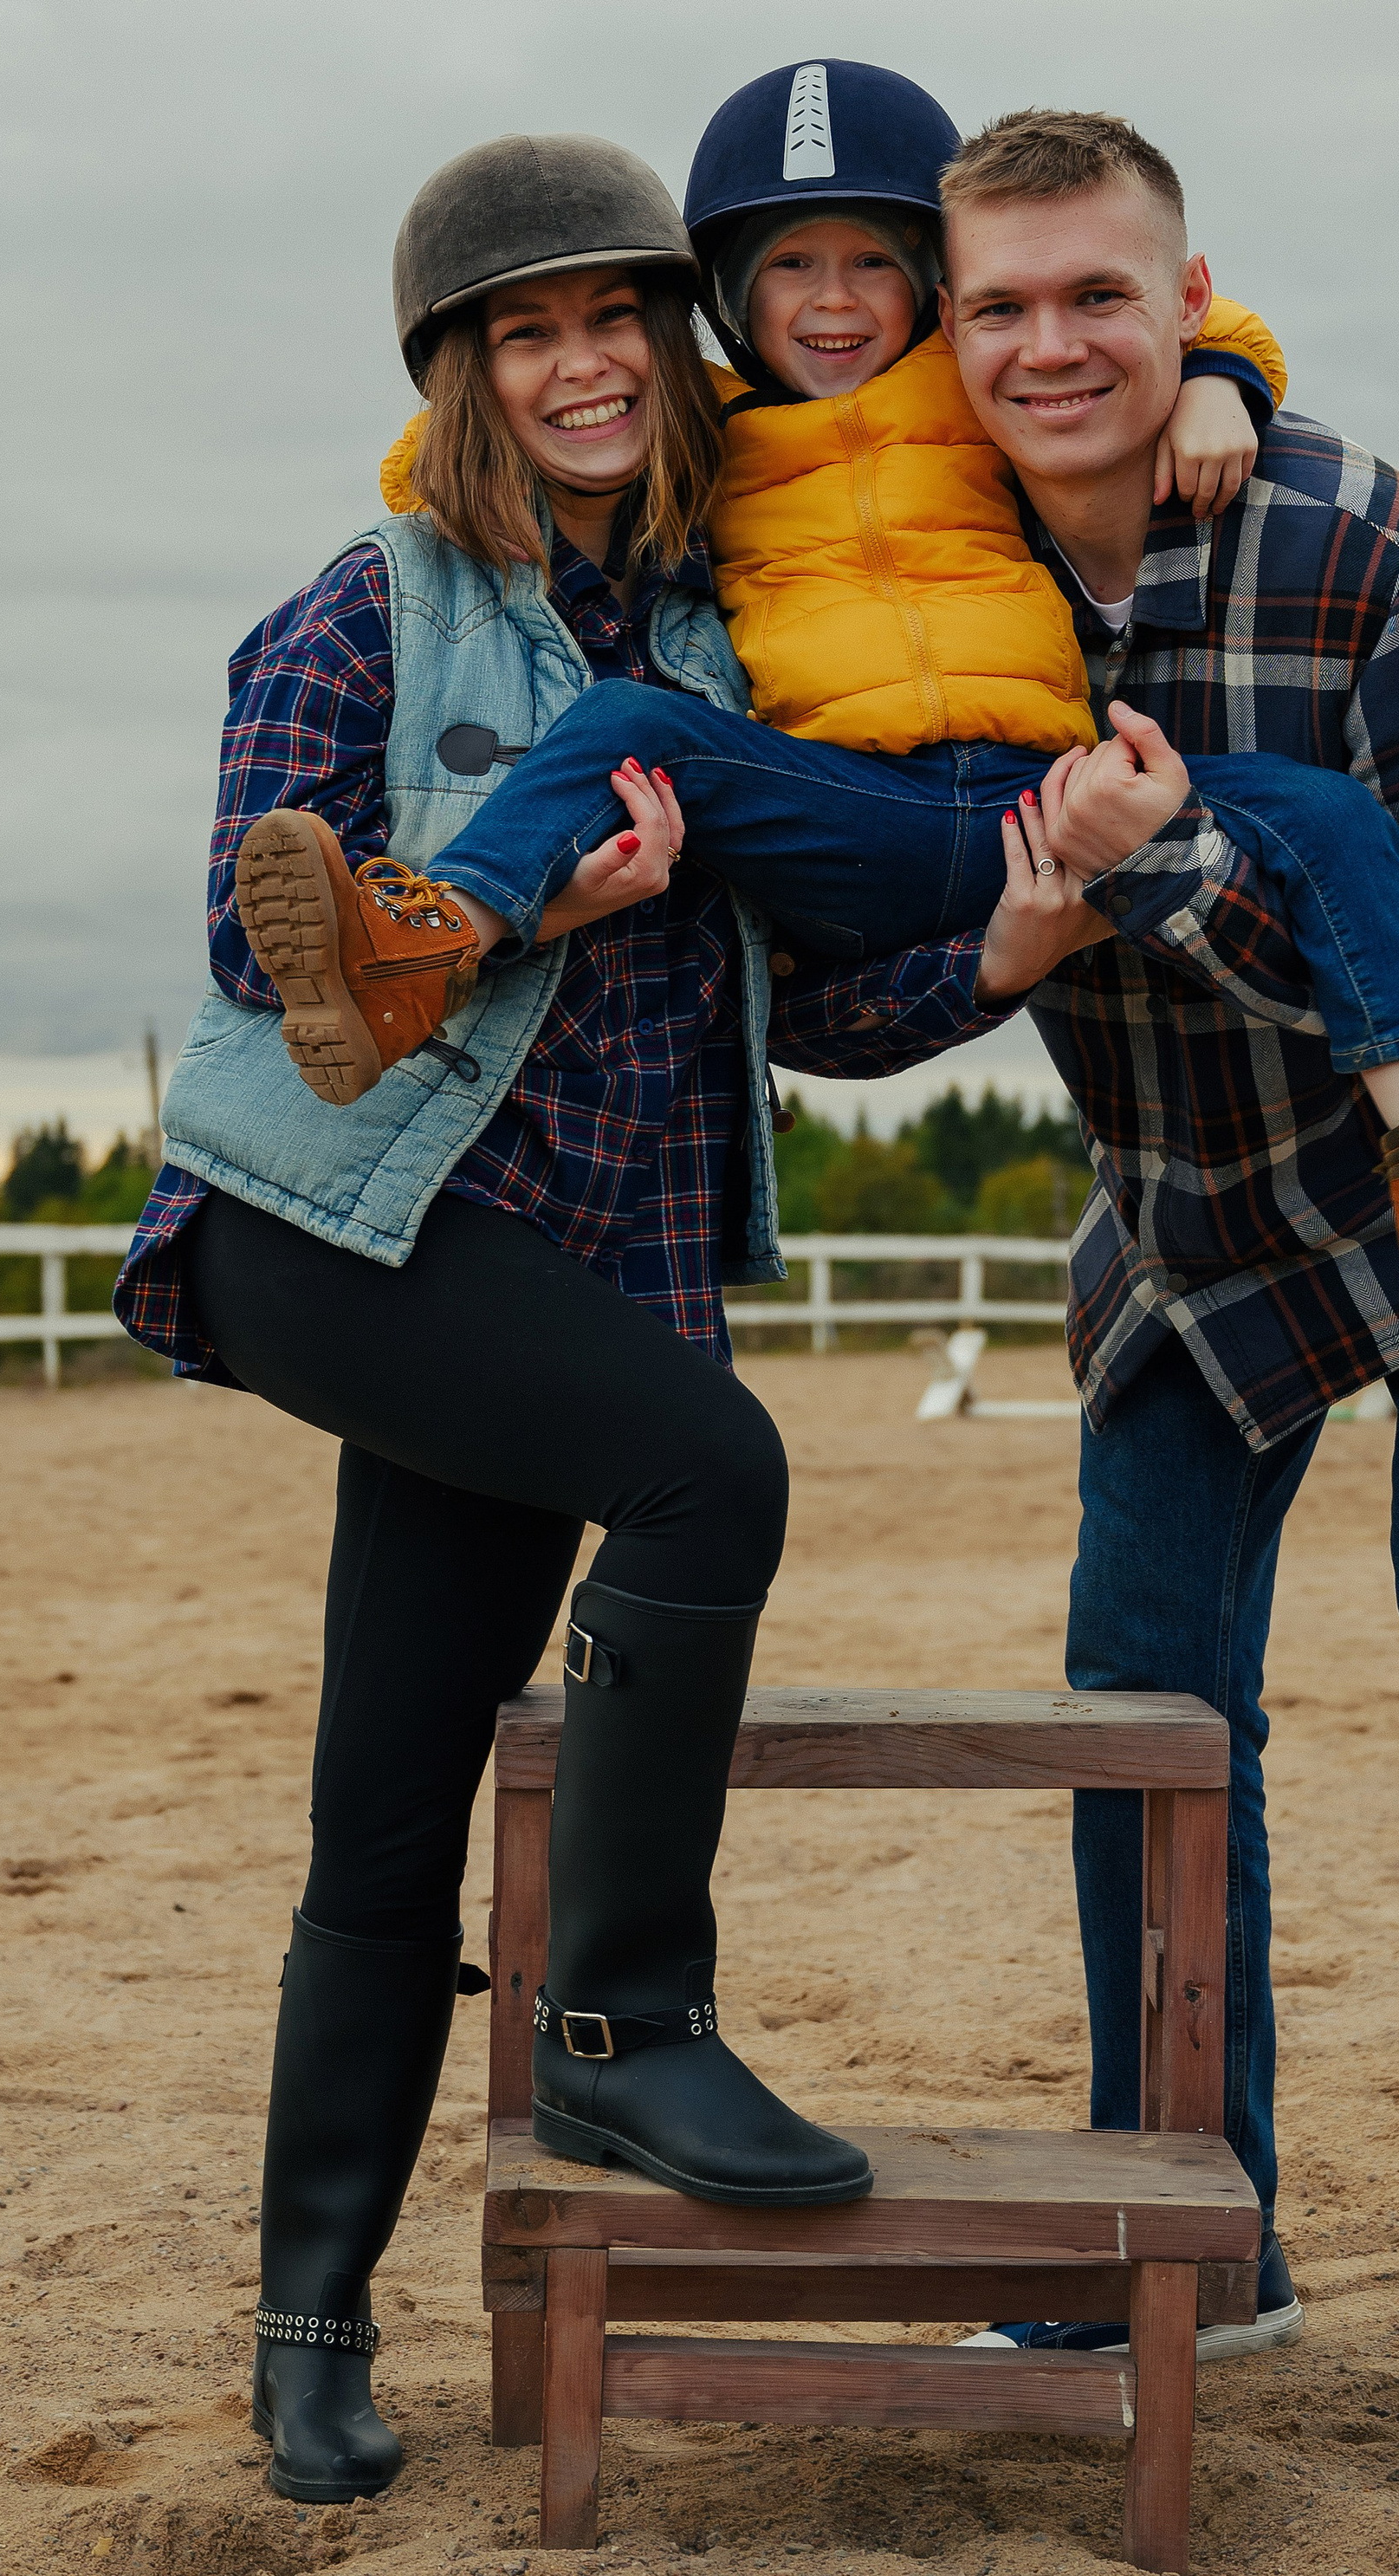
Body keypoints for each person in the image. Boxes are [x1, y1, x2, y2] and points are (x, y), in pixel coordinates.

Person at [112, 132, 1086, 2509]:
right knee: (707, 1469)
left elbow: (803, 1006)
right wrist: (536, 905)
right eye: (526, 332)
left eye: (614, 322)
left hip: (572, 1260)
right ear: (462, 376)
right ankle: (628, 2023)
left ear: (670, 347)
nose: (580, 365)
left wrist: (1004, 951)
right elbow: (260, 943)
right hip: (341, 1217)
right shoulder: (370, 608)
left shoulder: (729, 652)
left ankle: (307, 2330)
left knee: (389, 1791)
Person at [245, 62, 1399, 1315]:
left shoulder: (969, 387)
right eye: (793, 267)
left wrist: (1221, 383)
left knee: (1329, 816)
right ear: (729, 300)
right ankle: (428, 942)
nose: (835, 298)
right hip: (858, 811)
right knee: (626, 725)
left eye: (872, 260)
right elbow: (484, 438)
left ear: (929, 279)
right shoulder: (707, 432)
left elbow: (1176, 323)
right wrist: (457, 488)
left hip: (1044, 798)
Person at [932, 110, 1399, 2491]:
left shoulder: (1377, 552)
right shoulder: (929, 569)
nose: (1050, 344)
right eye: (1000, 303)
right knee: (1141, 1717)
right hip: (1187, 1208)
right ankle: (1195, 2238)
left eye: (1100, 295)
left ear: (1189, 300)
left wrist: (1165, 870)